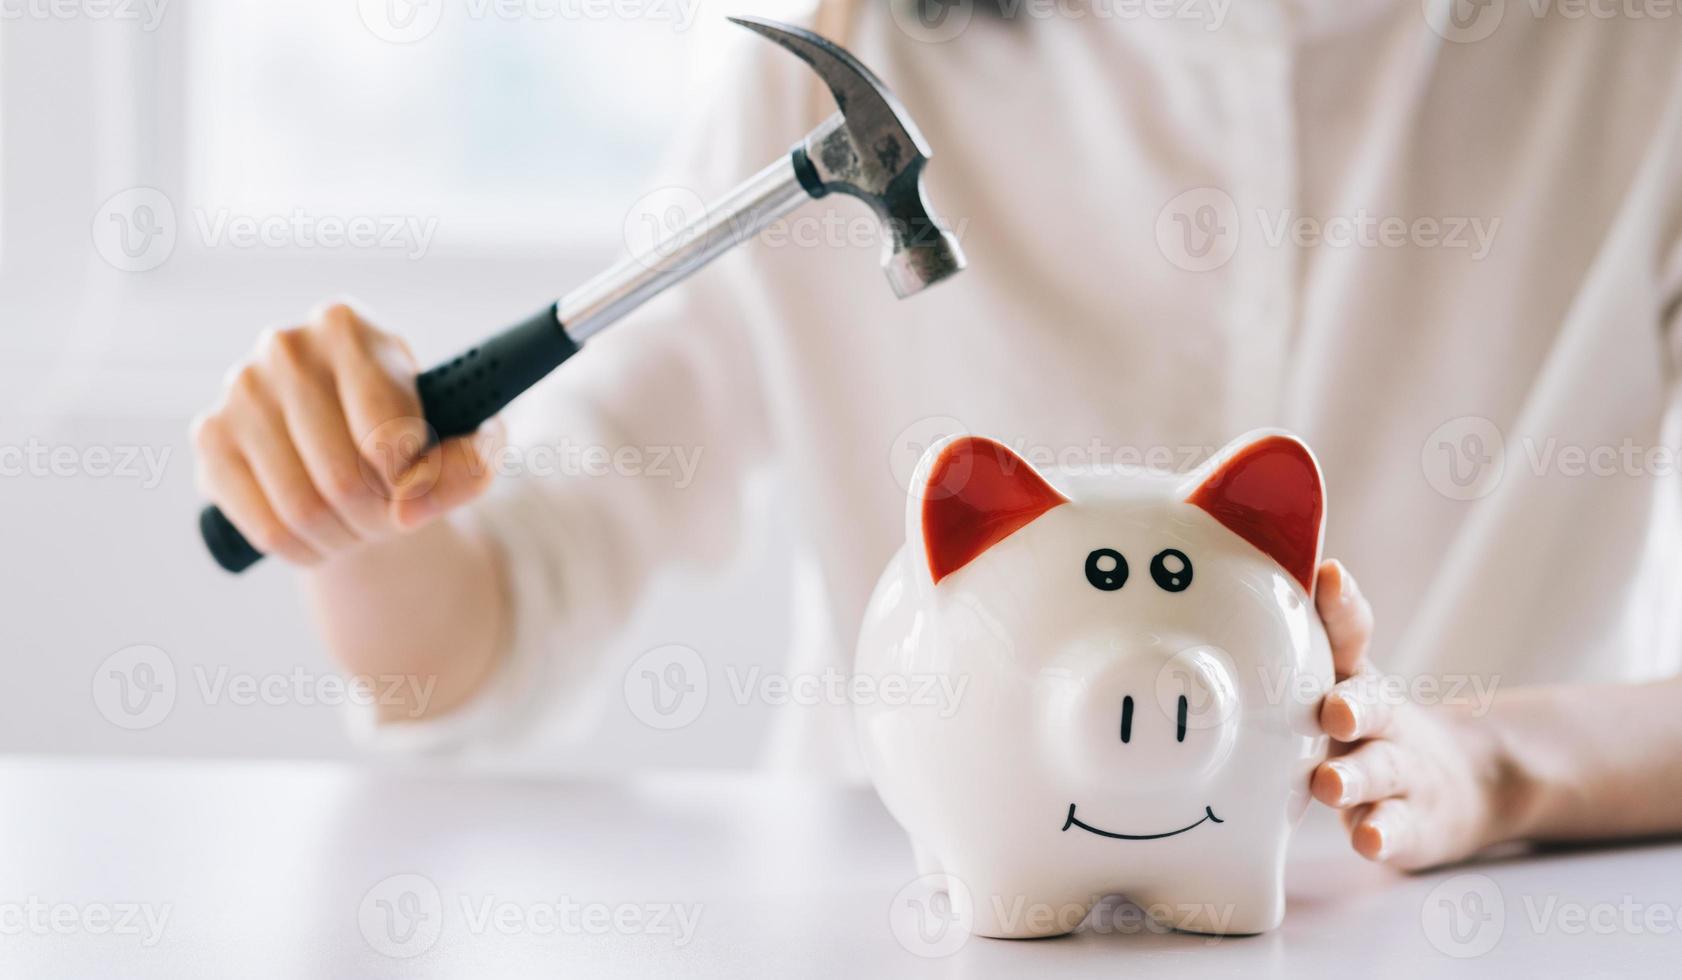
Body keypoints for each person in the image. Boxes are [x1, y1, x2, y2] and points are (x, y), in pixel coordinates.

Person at [189, 0, 1682, 871]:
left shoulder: (1637, 64)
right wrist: (349, 488)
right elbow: (491, 623)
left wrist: (1492, 771)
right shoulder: (841, 49)